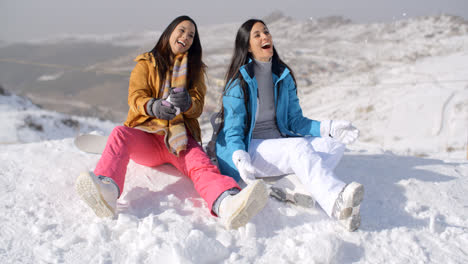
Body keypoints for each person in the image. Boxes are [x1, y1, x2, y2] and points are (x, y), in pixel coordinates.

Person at [75, 16, 269, 230]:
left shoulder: (194, 70)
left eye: (191, 35)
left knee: (200, 163)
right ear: (169, 32)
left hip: (178, 139)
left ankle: (226, 202)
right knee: (120, 134)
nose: (185, 37)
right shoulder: (146, 63)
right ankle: (107, 191)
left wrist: (187, 103)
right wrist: (153, 106)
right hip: (149, 135)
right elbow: (135, 96)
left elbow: (197, 105)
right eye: (182, 30)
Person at [213, 19, 364, 231]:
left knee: (333, 143)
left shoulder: (282, 75)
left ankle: (293, 185)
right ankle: (336, 201)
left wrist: (328, 128)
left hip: (277, 144)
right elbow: (233, 131)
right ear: (247, 46)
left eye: (266, 32)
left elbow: (295, 121)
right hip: (249, 149)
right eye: (257, 35)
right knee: (298, 148)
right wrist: (239, 156)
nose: (265, 37)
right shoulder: (239, 82)